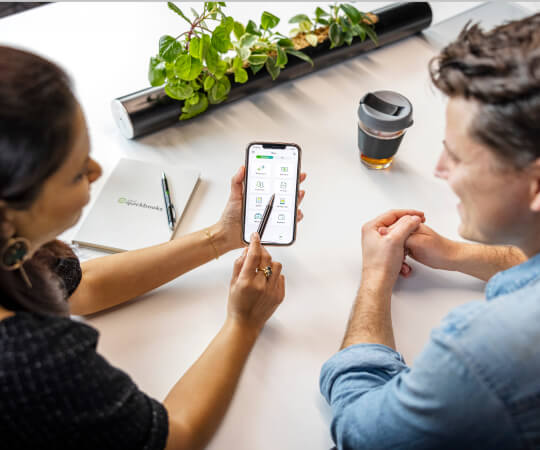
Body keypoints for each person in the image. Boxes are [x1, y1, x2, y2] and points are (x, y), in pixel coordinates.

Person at [0, 46, 306, 450]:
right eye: (77, 172)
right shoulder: (32, 364)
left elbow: (80, 287)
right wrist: (243, 323)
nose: (96, 171)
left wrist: (222, 235)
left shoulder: (16, 251)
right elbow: (172, 437)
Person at [320, 13, 540, 449]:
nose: (439, 171)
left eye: (456, 158)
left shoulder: (485, 353)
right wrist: (460, 255)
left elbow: (360, 432)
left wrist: (375, 280)